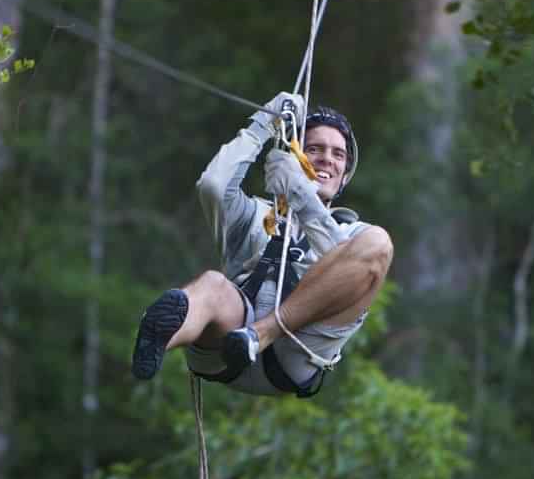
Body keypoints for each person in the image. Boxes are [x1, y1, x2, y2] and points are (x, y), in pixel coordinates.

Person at [130, 92, 393, 396]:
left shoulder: (354, 233)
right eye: (314, 148)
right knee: (213, 284)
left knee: (379, 242)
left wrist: (303, 198)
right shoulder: (255, 215)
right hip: (228, 342)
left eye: (338, 154)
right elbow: (213, 187)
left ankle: (261, 335)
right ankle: (158, 336)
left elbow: (344, 265)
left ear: (345, 174)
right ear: (295, 156)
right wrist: (262, 125)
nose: (326, 159)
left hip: (299, 350)